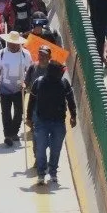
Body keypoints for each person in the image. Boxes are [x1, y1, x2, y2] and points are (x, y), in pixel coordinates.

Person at [27, 57, 77, 186]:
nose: (62, 73)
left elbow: (71, 100)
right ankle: (41, 174)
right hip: (41, 121)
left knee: (56, 149)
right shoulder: (38, 83)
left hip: (58, 123)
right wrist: (28, 118)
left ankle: (53, 172)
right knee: (41, 149)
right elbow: (31, 101)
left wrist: (73, 116)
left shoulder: (64, 83)